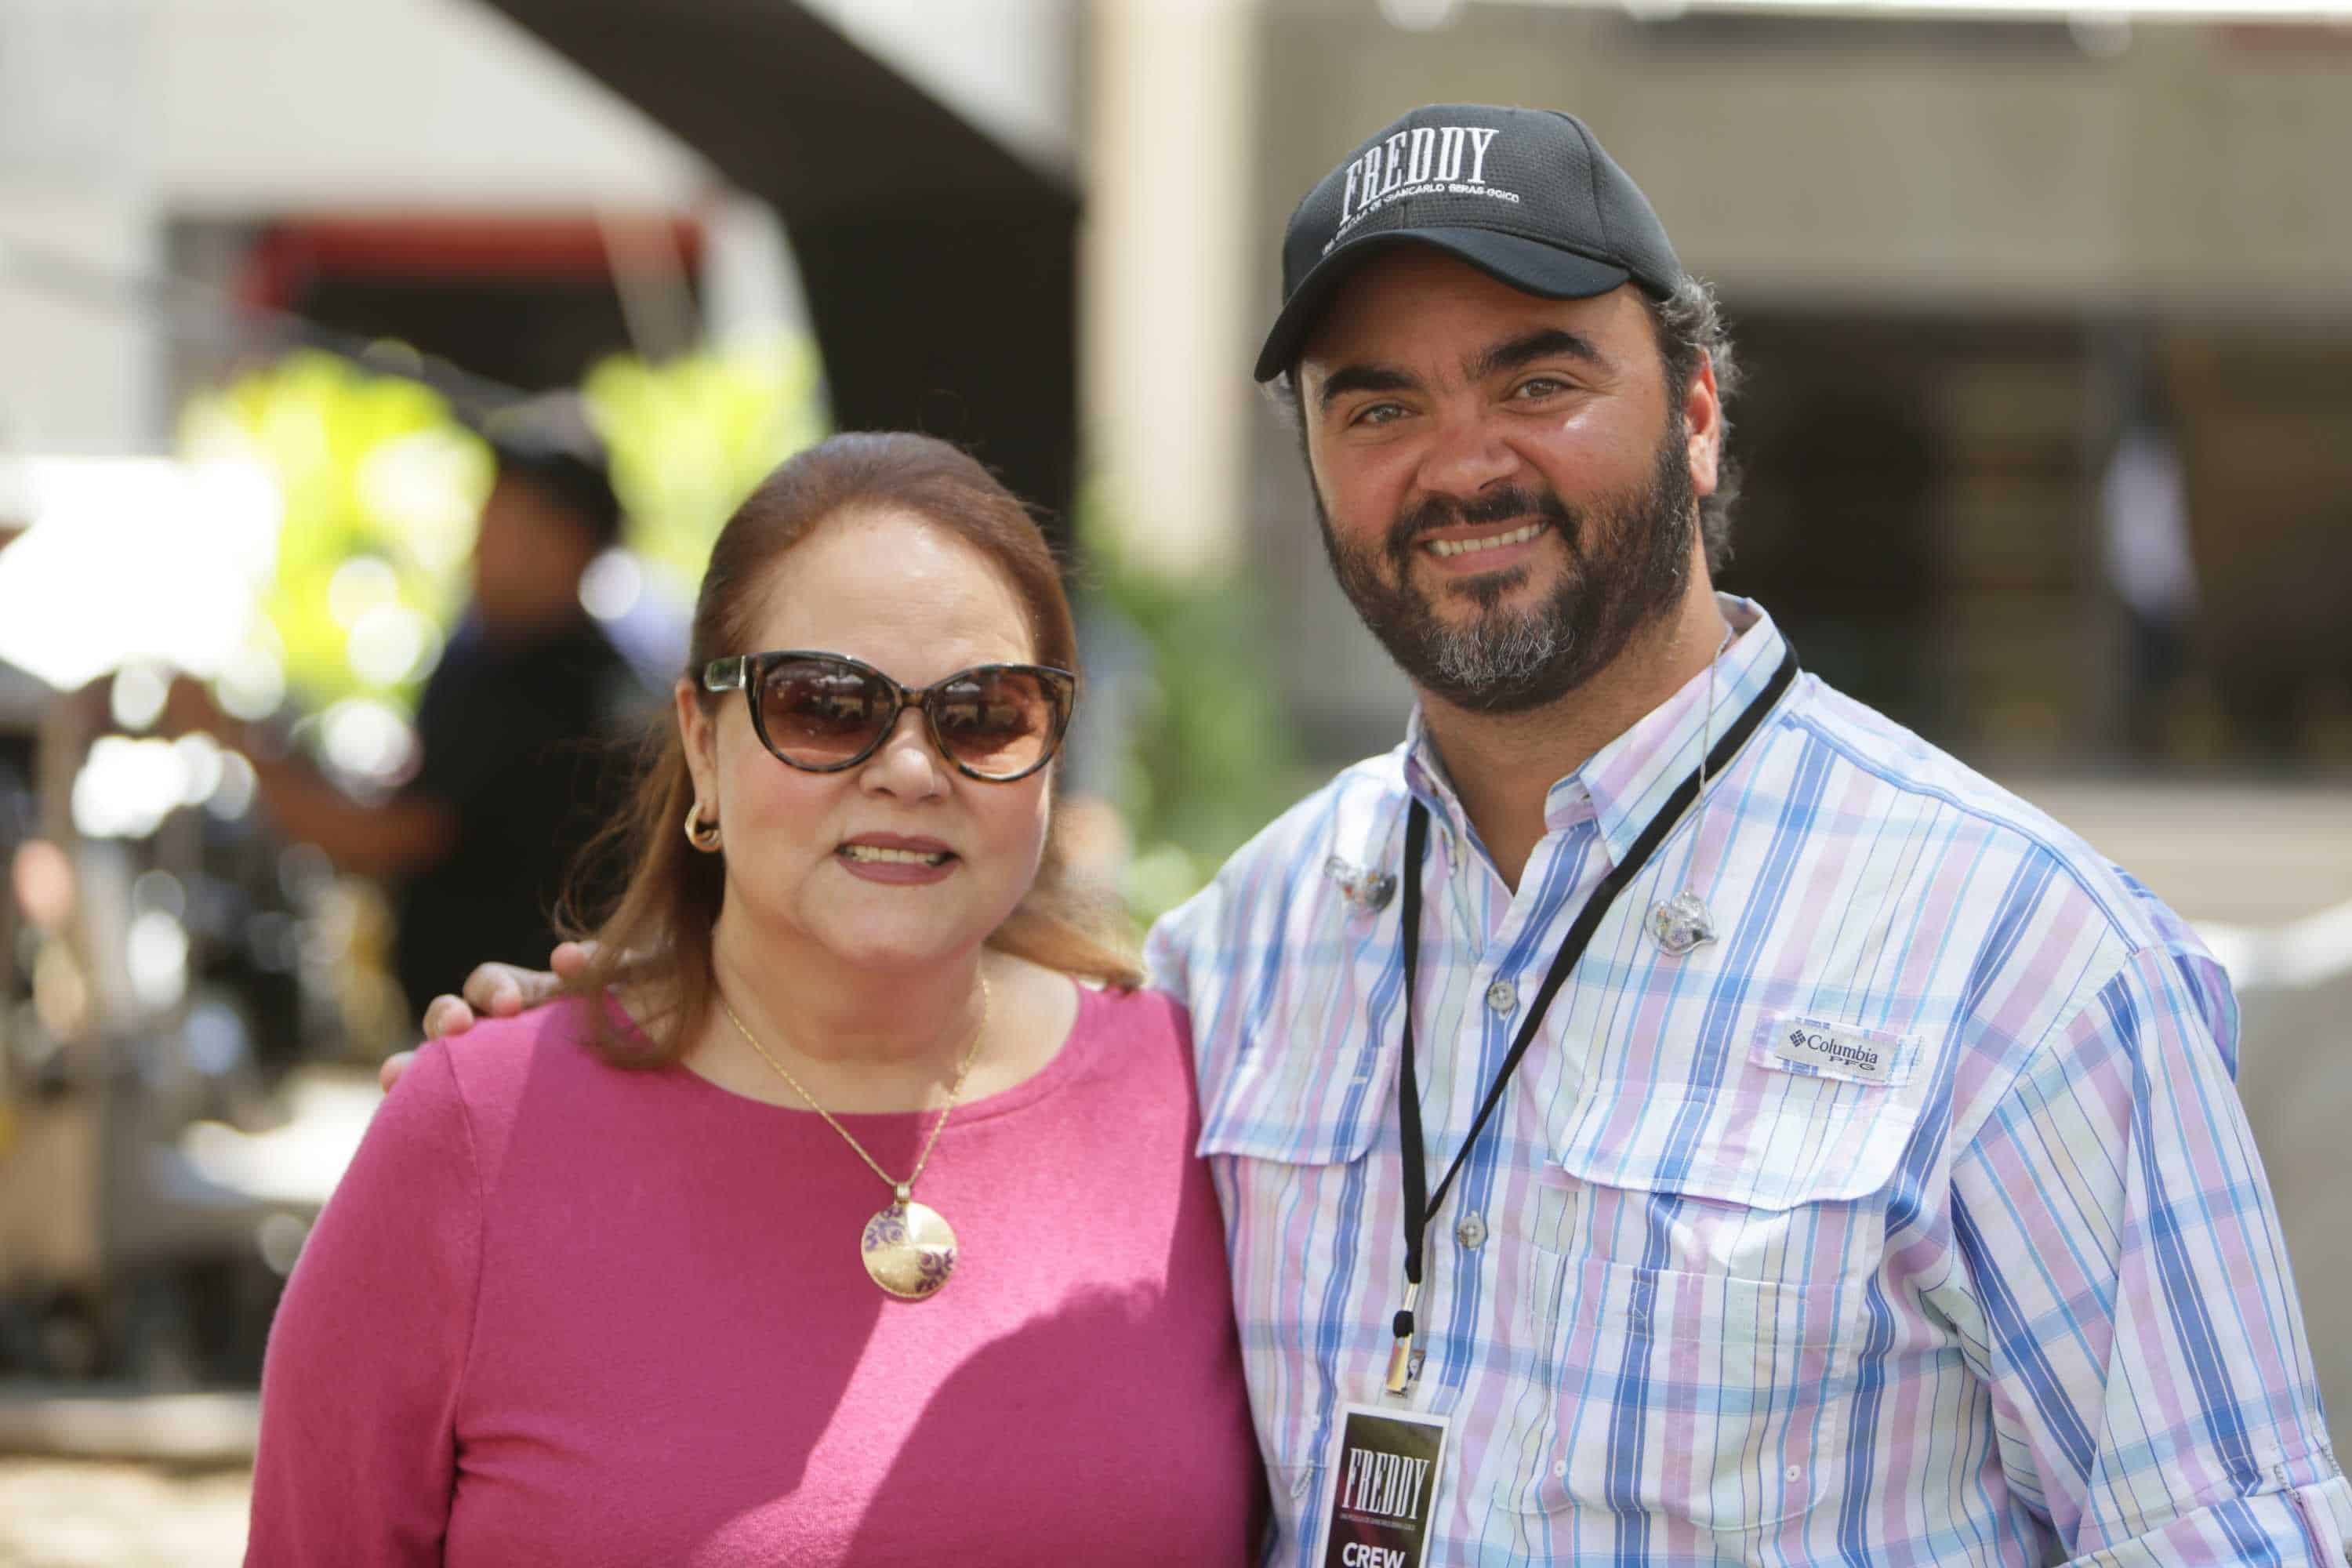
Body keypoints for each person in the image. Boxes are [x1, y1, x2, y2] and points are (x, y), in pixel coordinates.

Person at [414, 107, 2350, 1563]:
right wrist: (633, 1042)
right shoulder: (1243, 952)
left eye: (1536, 376)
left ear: (1690, 412)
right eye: (1378, 402)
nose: (1459, 458)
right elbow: (942, 1108)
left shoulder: (2021, 958)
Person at [245, 432, 1265, 1563]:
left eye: (984, 713)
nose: (911, 769)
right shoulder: (474, 1132)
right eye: (825, 705)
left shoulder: (1206, 1102)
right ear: (702, 742)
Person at [167, 398, 653, 1018]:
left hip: (525, 1029)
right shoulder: (487, 654)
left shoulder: (554, 685)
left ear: (568, 544)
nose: (478, 546)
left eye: (502, 525)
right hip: (490, 1019)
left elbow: (388, 838)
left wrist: (237, 743)